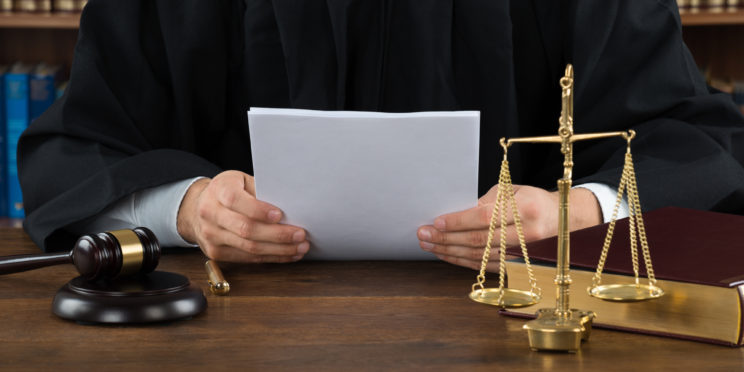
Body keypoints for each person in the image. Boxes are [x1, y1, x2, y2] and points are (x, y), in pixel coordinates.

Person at [18, 0, 744, 272]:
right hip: (228, 334)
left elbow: (695, 136)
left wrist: (575, 212)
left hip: (517, 325)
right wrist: (187, 207)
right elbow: (77, 147)